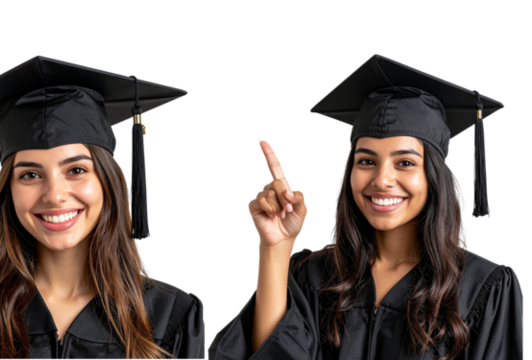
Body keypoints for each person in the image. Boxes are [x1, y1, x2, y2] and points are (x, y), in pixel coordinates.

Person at [0, 55, 207, 359]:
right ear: (8, 193)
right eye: (30, 175)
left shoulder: (169, 316)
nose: (54, 195)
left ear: (108, 183)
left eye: (76, 170)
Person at [208, 54, 525, 359]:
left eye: (405, 162)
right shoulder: (315, 277)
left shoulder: (482, 287)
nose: (382, 179)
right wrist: (275, 248)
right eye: (367, 161)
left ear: (433, 177)